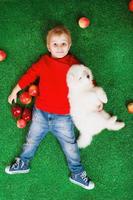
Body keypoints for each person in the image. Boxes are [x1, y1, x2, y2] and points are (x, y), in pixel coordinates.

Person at [5, 26, 95, 190]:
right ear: (48, 47)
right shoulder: (44, 62)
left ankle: (77, 173)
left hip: (64, 116)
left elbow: (88, 82)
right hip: (41, 113)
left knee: (70, 146)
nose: (59, 48)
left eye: (63, 44)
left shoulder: (75, 65)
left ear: (70, 45)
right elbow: (29, 75)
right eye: (55, 44)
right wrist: (15, 91)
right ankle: (23, 162)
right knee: (31, 140)